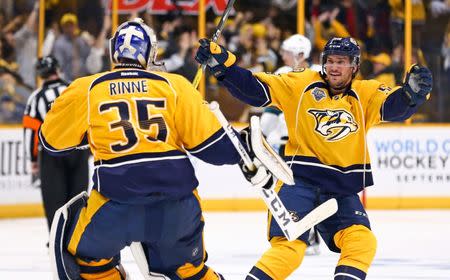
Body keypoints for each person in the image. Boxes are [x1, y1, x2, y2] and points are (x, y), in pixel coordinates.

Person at [195, 36, 432, 279]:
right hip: (298, 184)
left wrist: (410, 96)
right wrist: (223, 66)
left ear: (355, 66)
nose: (334, 67)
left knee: (361, 241)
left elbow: (394, 106)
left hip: (340, 190)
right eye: (330, 61)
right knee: (290, 248)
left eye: (341, 61)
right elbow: (256, 90)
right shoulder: (300, 83)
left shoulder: (366, 93)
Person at [40, 18, 248, 279]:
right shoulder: (175, 86)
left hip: (116, 207)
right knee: (189, 271)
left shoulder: (88, 88)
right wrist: (240, 141)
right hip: (177, 208)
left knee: (89, 262)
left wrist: (92, 131)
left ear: (113, 51)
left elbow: (52, 142)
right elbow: (219, 150)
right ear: (150, 53)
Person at [259, 34, 321, 256]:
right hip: (307, 146)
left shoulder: (288, 75)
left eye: (287, 52)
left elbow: (272, 112)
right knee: (304, 191)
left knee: (294, 191)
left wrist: (260, 135)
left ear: (300, 55)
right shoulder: (319, 74)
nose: (282, 56)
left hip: (296, 147)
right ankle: (308, 236)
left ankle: (304, 236)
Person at [22, 55, 90, 235]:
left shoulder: (36, 97)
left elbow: (31, 131)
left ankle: (56, 237)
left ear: (41, 75)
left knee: (54, 198)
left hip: (52, 153)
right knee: (78, 197)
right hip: (78, 150)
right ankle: (76, 237)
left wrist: (33, 158)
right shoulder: (73, 89)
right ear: (58, 69)